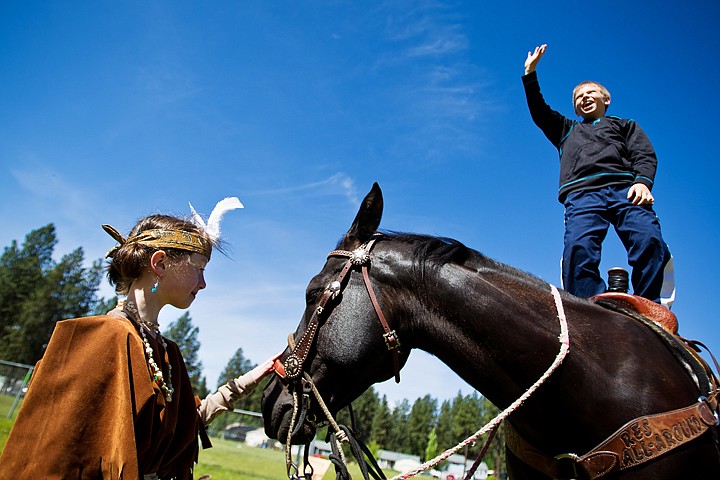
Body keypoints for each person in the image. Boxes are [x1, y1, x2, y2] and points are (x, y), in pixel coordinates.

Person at [0, 198, 280, 479]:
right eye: (199, 268)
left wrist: (247, 381)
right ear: (159, 263)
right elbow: (56, 458)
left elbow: (183, 428)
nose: (203, 283)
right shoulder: (102, 339)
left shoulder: (167, 352)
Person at [522, 44, 672, 304]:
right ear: (576, 109)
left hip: (626, 190)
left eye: (591, 93)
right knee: (578, 249)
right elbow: (539, 110)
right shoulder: (566, 130)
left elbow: (644, 155)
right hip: (582, 195)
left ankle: (649, 305)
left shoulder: (624, 126)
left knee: (649, 239)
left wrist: (643, 183)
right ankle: (587, 306)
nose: (585, 98)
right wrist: (530, 73)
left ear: (606, 99)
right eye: (579, 97)